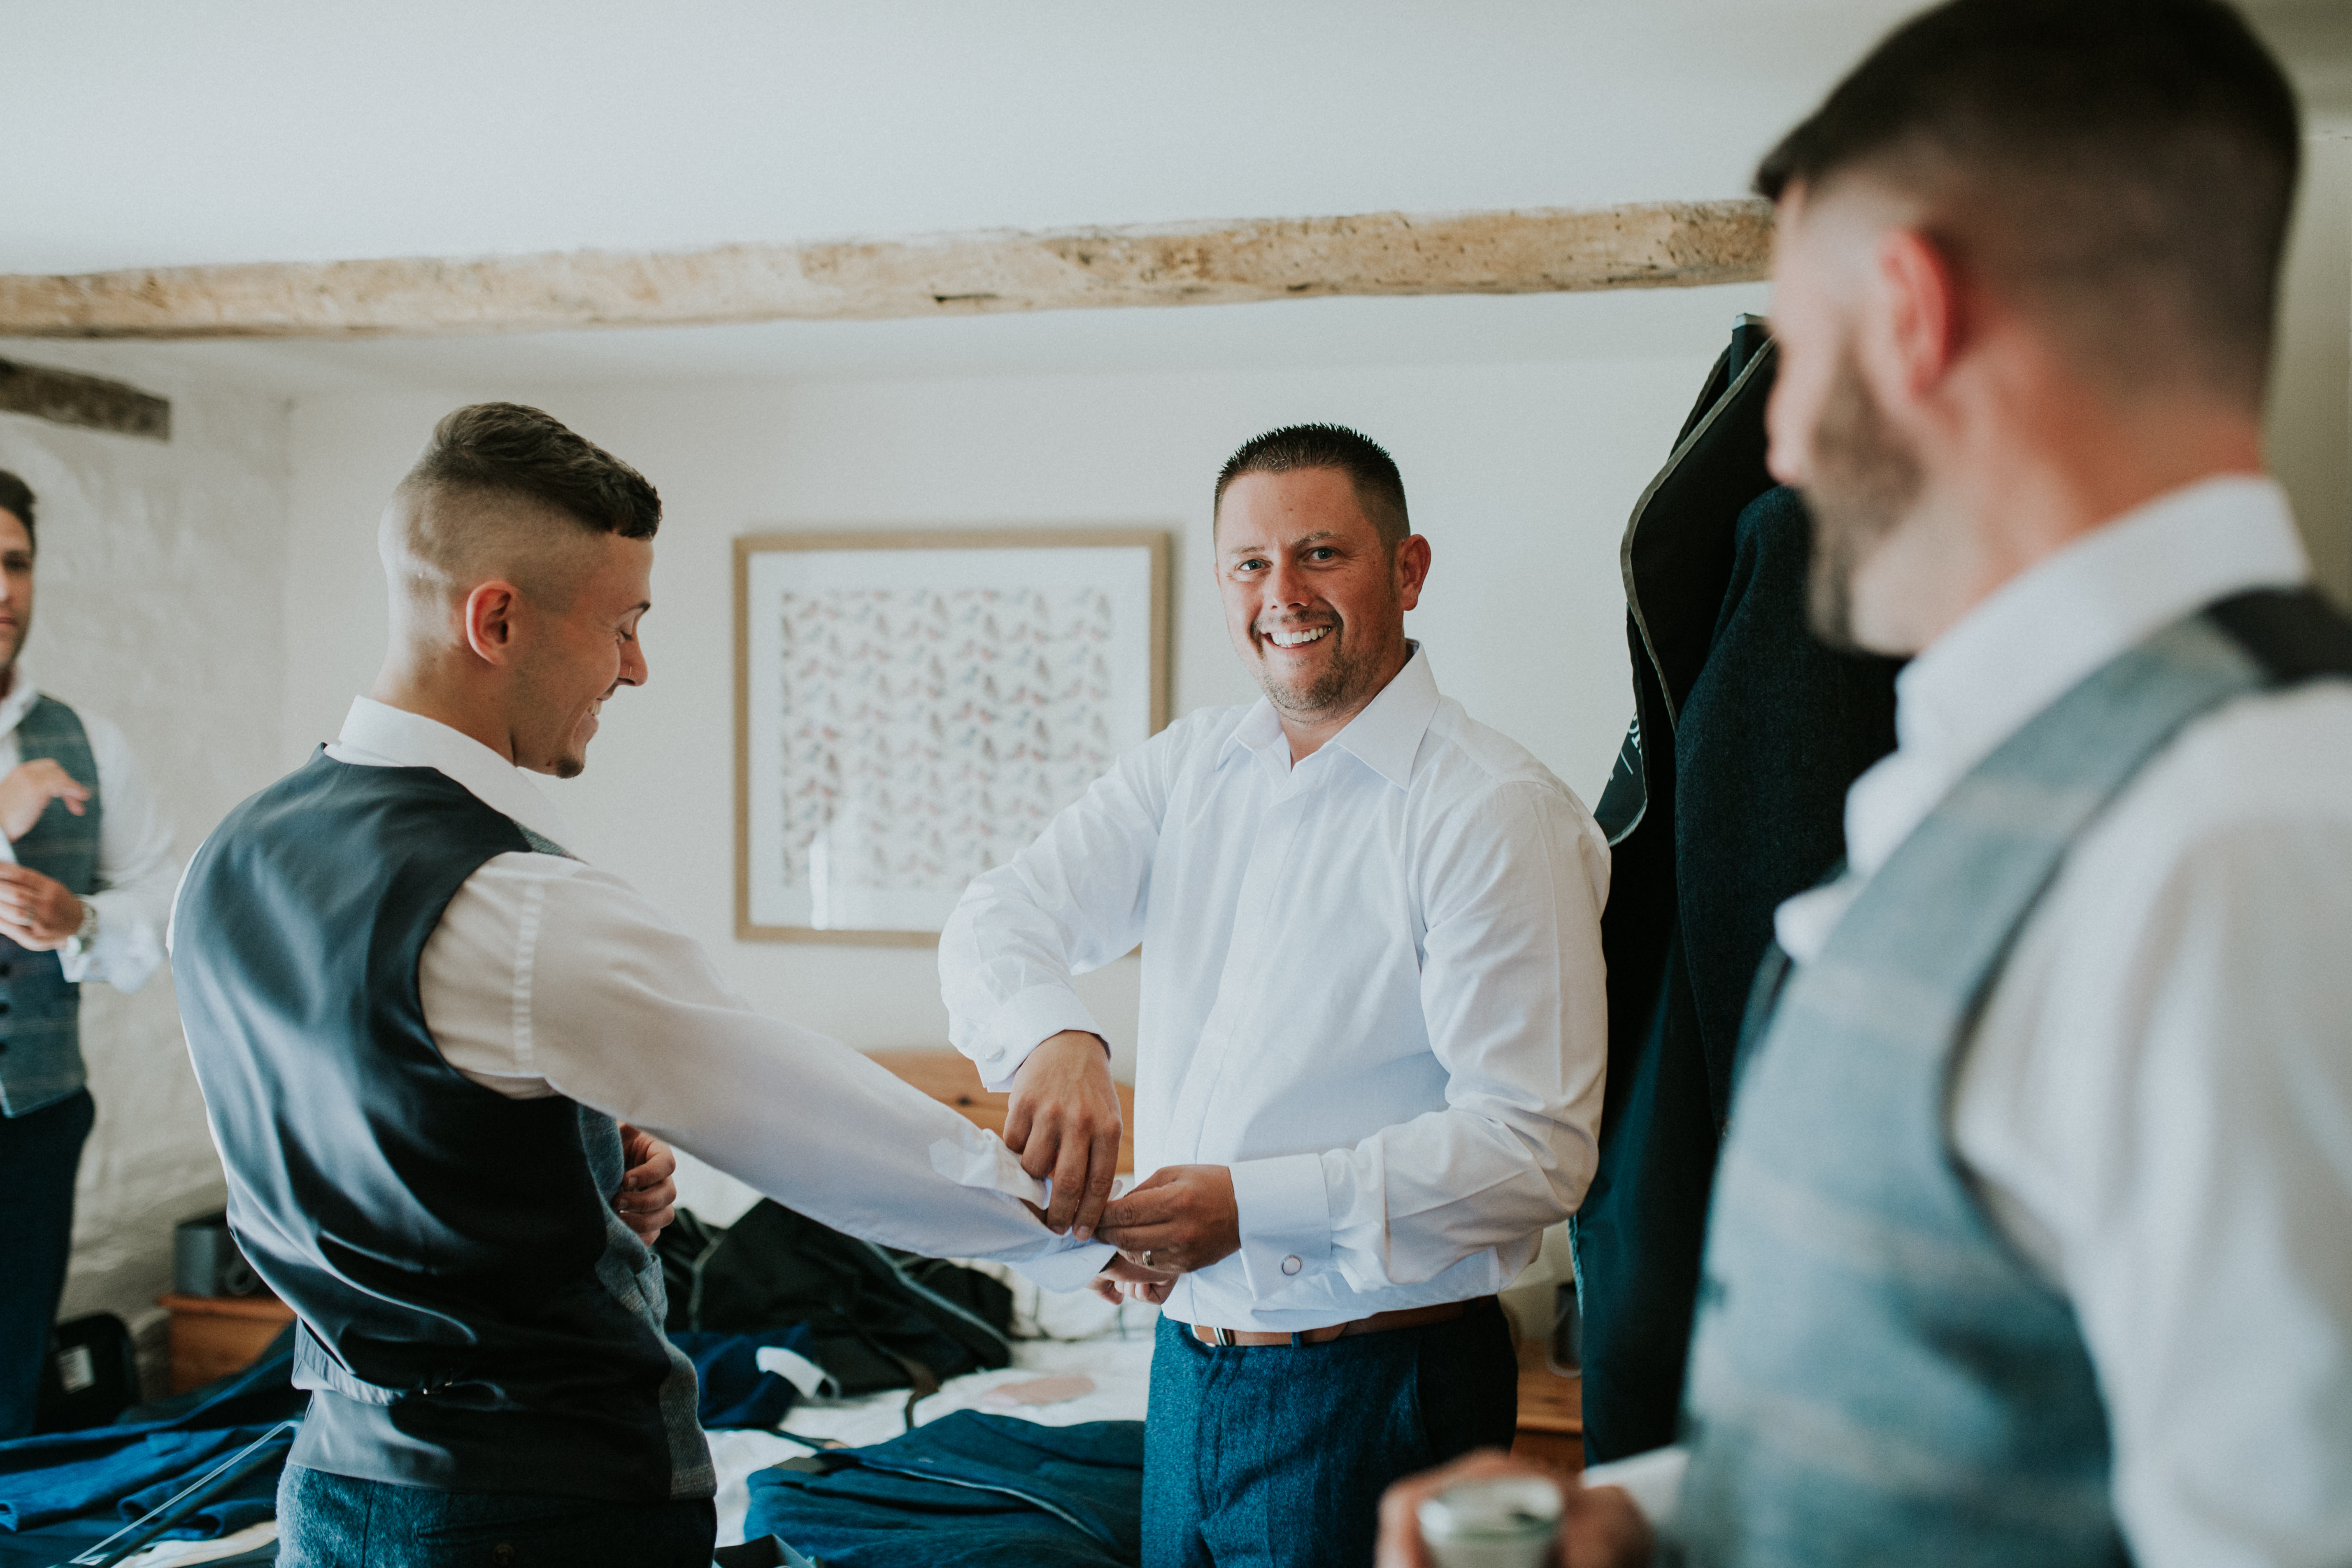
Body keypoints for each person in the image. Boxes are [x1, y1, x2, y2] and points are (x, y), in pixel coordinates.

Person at [1376, 2, 2352, 1566]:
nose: (1778, 429)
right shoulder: (1993, 780)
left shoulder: (2246, 840)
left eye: (1795, 346)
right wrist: (1652, 1515)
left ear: (1908, 315)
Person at [172, 404, 1131, 1568]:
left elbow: (355, 1147)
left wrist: (572, 1183)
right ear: (498, 618)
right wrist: (1082, 1236)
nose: (636, 666)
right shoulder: (516, 908)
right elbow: (814, 1128)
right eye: (622, 625)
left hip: (334, 1493)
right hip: (538, 1511)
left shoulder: (221, 864)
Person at [939, 423, 1611, 1568]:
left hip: (1376, 1388)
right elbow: (997, 916)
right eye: (1249, 564)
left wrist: (1250, 1206)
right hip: (1187, 1373)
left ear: (1406, 570)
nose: (1281, 594)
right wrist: (1055, 1035)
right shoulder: (1187, 769)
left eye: (1318, 555)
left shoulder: (1493, 812)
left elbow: (1535, 1148)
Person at [0, 469, 179, 1440]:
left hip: (36, 1116)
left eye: (16, 563)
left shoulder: (89, 741)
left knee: (10, 1381)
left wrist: (83, 923)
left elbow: (162, 893)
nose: (1, 590)